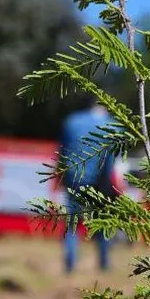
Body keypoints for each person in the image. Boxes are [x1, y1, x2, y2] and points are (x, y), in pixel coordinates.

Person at [58, 100, 117, 274]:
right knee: (103, 222)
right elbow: (112, 159)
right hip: (100, 180)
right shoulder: (112, 124)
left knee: (72, 221)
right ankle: (104, 262)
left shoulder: (72, 120)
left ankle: (70, 263)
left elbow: (62, 151)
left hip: (74, 177)